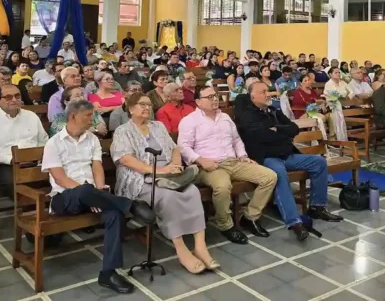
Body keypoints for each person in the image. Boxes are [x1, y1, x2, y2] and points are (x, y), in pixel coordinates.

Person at [42, 99, 154, 293]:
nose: (93, 120)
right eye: (89, 116)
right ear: (73, 116)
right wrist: (91, 194)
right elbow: (60, 179)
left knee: (114, 215)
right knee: (85, 190)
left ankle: (108, 273)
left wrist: (99, 192)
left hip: (92, 197)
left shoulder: (92, 139)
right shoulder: (53, 143)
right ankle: (131, 205)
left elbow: (97, 167)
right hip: (64, 198)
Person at [111, 93, 218, 274]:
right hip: (139, 177)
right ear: (130, 109)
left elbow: (174, 148)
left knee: (192, 191)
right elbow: (126, 160)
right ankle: (182, 250)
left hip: (168, 173)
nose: (147, 107)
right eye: (142, 104)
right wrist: (158, 171)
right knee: (168, 197)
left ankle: (200, 246)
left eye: (149, 104)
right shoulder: (123, 131)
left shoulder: (158, 126)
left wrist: (175, 164)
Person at [235, 81, 342, 241]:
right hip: (267, 157)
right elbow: (260, 136)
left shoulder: (273, 111)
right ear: (253, 96)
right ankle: (294, 221)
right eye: (263, 91)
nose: (268, 94)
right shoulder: (248, 115)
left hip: (286, 154)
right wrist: (279, 133)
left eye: (267, 91)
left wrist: (276, 129)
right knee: (279, 174)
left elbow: (293, 128)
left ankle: (317, 207)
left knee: (318, 162)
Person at [178, 86, 276, 244]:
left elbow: (236, 140)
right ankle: (226, 225)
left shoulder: (225, 117)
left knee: (269, 177)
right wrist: (201, 160)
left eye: (215, 96)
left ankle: (250, 217)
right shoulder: (190, 121)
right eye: (209, 97)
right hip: (210, 165)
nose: (215, 99)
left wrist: (243, 155)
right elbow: (183, 147)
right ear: (198, 102)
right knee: (223, 187)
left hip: (233, 162)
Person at [0, 83, 48, 196]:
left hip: (34, 161)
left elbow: (43, 140)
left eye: (17, 96)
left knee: (57, 174)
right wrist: (9, 159)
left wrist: (40, 157)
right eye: (8, 97)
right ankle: (30, 209)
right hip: (7, 164)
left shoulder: (31, 116)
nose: (14, 100)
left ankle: (42, 206)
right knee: (15, 183)